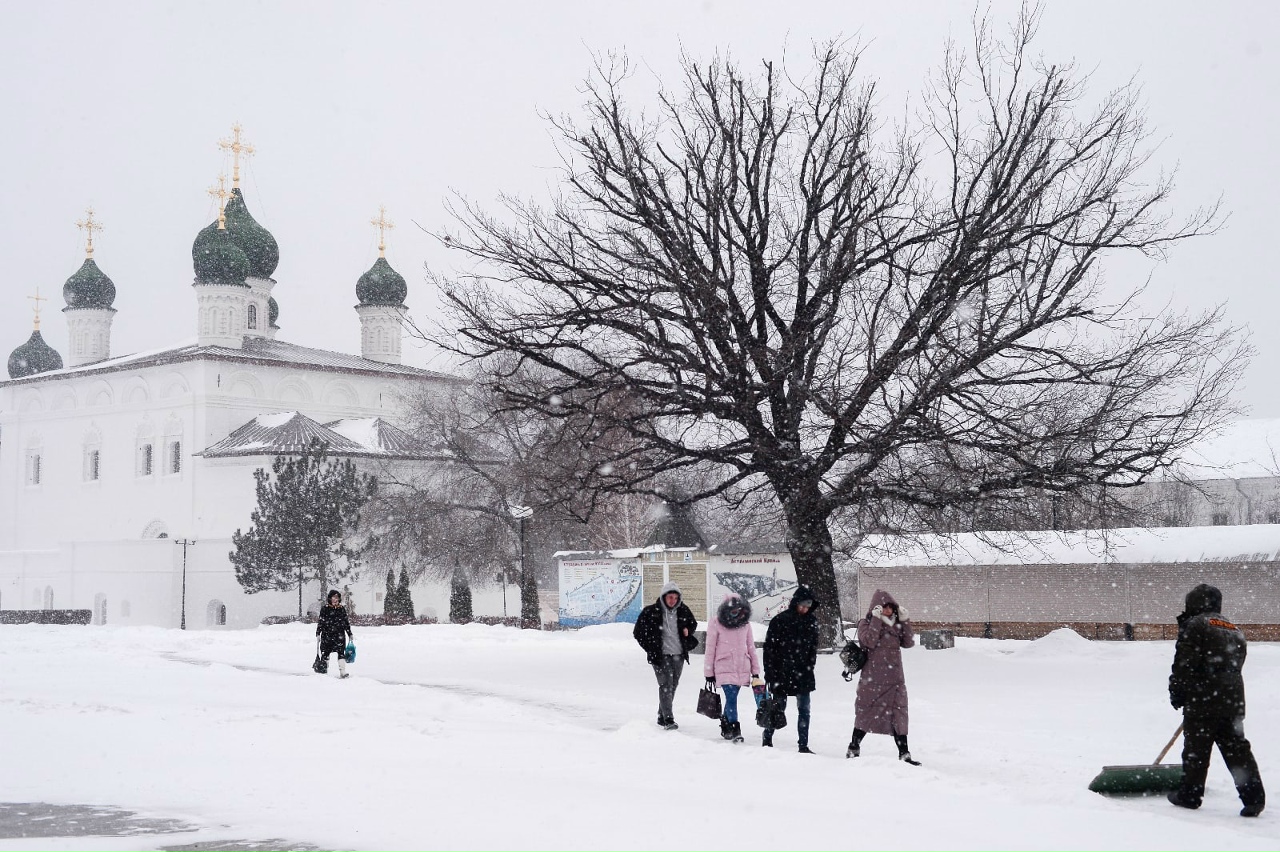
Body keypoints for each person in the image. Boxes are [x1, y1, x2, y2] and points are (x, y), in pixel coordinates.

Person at [1167, 583, 1265, 817]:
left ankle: (1190, 796)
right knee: (1237, 750)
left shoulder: (1195, 625)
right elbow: (1234, 665)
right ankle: (1254, 799)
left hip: (1203, 700)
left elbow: (1184, 663)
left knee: (1196, 750)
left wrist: (1178, 691)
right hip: (1232, 700)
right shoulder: (1233, 628)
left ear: (1194, 603)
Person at [847, 589, 919, 764]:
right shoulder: (865, 623)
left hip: (895, 680)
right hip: (872, 680)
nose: (888, 610)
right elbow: (869, 641)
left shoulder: (896, 624)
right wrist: (876, 619)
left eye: (891, 607)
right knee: (866, 713)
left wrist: (905, 621)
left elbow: (909, 642)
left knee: (899, 714)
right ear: (876, 607)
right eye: (884, 607)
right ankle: (853, 747)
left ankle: (904, 753)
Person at [633, 582, 699, 730]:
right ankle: (668, 719)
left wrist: (688, 629)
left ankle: (661, 714)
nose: (673, 601)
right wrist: (650, 648)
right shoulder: (651, 611)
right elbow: (638, 632)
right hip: (660, 656)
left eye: (675, 598)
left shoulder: (683, 610)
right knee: (665, 685)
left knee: (673, 684)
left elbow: (692, 623)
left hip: (678, 654)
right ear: (664, 597)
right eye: (670, 597)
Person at [761, 586, 820, 752]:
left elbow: (812, 648)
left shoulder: (811, 622)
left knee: (804, 710)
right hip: (781, 672)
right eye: (802, 605)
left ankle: (803, 745)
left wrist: (810, 666)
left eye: (808, 606)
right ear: (795, 603)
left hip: (803, 673)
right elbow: (769, 649)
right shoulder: (780, 620)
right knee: (777, 707)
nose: (805, 609)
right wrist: (770, 673)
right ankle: (767, 738)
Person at [704, 593, 760, 743]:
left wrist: (755, 671)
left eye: (740, 610)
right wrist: (709, 672)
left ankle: (725, 724)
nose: (737, 613)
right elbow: (710, 648)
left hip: (742, 667)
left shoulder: (745, 624)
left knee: (731, 698)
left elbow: (751, 647)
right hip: (724, 666)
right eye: (734, 610)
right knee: (731, 697)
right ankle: (735, 729)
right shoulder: (715, 623)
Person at [316, 589, 354, 679]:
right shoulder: (325, 609)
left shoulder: (341, 609)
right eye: (333, 597)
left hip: (339, 635)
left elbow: (346, 622)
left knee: (341, 653)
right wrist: (318, 633)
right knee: (325, 653)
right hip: (327, 635)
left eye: (337, 598)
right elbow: (321, 622)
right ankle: (324, 671)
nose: (335, 599)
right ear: (330, 598)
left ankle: (342, 672)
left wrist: (349, 633)